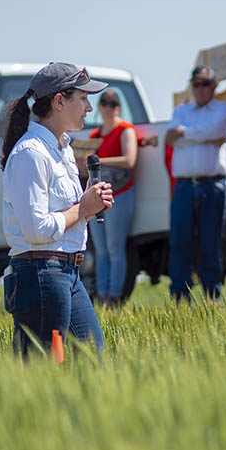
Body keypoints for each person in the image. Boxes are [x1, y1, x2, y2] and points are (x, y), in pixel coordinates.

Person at [0, 63, 113, 356]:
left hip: (64, 273)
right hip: (41, 275)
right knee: (43, 370)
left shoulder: (61, 149)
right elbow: (37, 231)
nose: (90, 108)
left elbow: (65, 215)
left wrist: (90, 206)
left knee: (91, 362)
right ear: (59, 101)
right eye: (83, 98)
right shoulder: (31, 153)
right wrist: (83, 208)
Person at [165, 65, 226, 302]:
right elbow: (171, 137)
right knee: (180, 241)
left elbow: (220, 130)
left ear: (214, 86)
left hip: (211, 185)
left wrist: (185, 133)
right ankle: (180, 297)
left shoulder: (224, 109)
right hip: (184, 186)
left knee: (210, 242)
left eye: (206, 84)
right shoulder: (181, 110)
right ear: (191, 86)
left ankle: (211, 295)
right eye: (197, 84)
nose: (201, 89)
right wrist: (204, 136)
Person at [87, 90, 137, 307]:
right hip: (99, 197)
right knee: (101, 250)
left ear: (119, 108)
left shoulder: (125, 129)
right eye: (104, 103)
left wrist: (100, 161)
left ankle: (115, 295)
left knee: (116, 248)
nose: (108, 107)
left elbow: (129, 160)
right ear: (99, 107)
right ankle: (103, 295)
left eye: (113, 104)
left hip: (120, 193)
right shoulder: (94, 135)